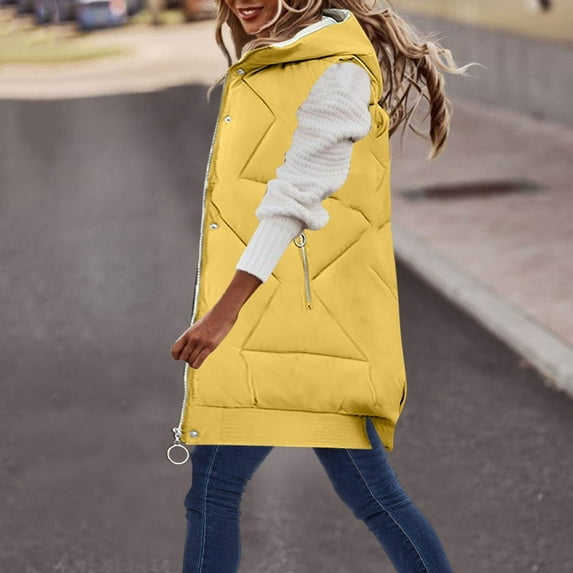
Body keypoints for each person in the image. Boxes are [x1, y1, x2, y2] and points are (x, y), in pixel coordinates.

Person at [170, 0, 477, 570]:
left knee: (365, 498)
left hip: (313, 329)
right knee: (221, 490)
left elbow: (296, 195)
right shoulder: (272, 61)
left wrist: (223, 312)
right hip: (269, 323)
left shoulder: (338, 69)